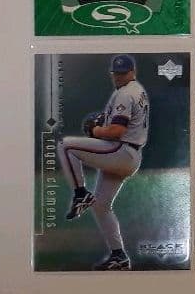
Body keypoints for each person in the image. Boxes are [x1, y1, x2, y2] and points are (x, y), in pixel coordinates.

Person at [59, 54, 149, 270]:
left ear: (132, 72)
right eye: (116, 73)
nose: (119, 76)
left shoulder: (125, 93)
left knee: (66, 146)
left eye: (123, 73)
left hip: (122, 150)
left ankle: (80, 193)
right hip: (130, 154)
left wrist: (96, 130)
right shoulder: (137, 90)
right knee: (101, 206)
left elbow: (117, 130)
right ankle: (119, 256)